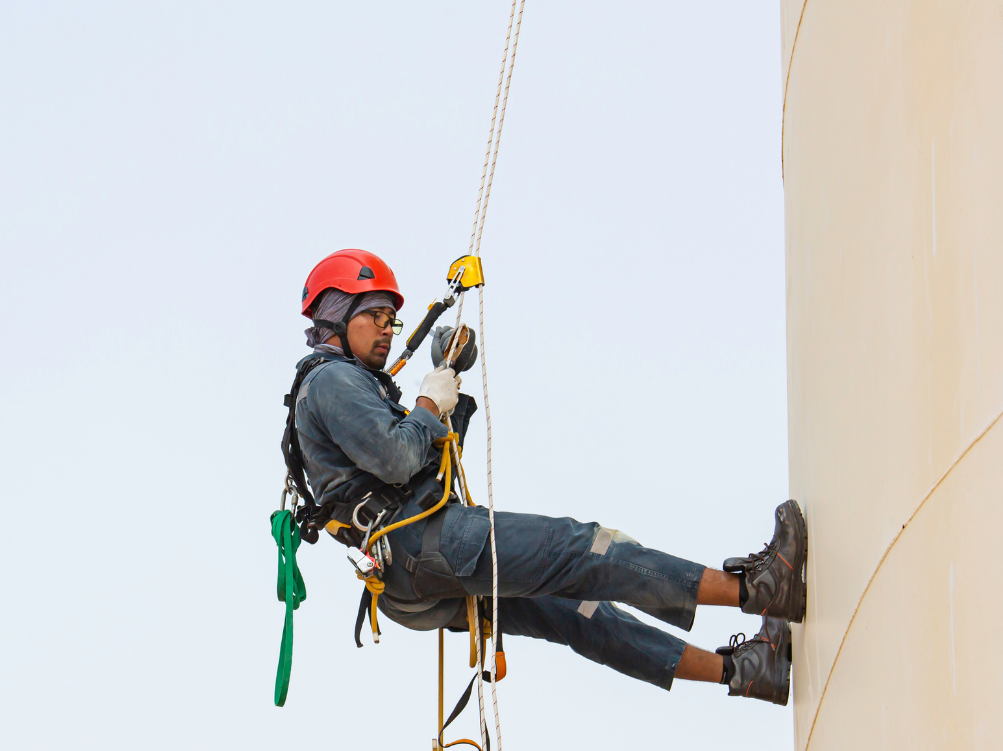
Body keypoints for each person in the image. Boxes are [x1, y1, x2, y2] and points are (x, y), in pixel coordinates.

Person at [285, 248, 804, 704]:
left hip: (412, 571)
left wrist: (450, 392)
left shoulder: (356, 388)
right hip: (422, 543)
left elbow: (431, 469)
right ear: (336, 316)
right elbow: (398, 459)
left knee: (577, 614)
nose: (386, 328)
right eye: (374, 314)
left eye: (392, 320)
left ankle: (746, 673)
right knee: (585, 550)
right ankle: (757, 589)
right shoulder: (331, 378)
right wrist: (425, 402)